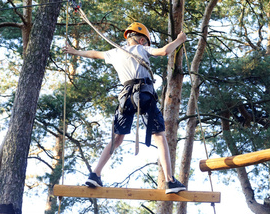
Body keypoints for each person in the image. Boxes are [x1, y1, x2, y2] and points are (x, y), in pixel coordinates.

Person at [63, 22, 187, 194]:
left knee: (117, 138)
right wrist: (179, 40)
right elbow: (164, 51)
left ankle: (95, 174)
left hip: (125, 97)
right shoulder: (142, 50)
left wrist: (75, 51)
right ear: (142, 40)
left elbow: (93, 54)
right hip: (144, 94)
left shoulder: (115, 52)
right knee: (159, 137)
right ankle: (170, 181)